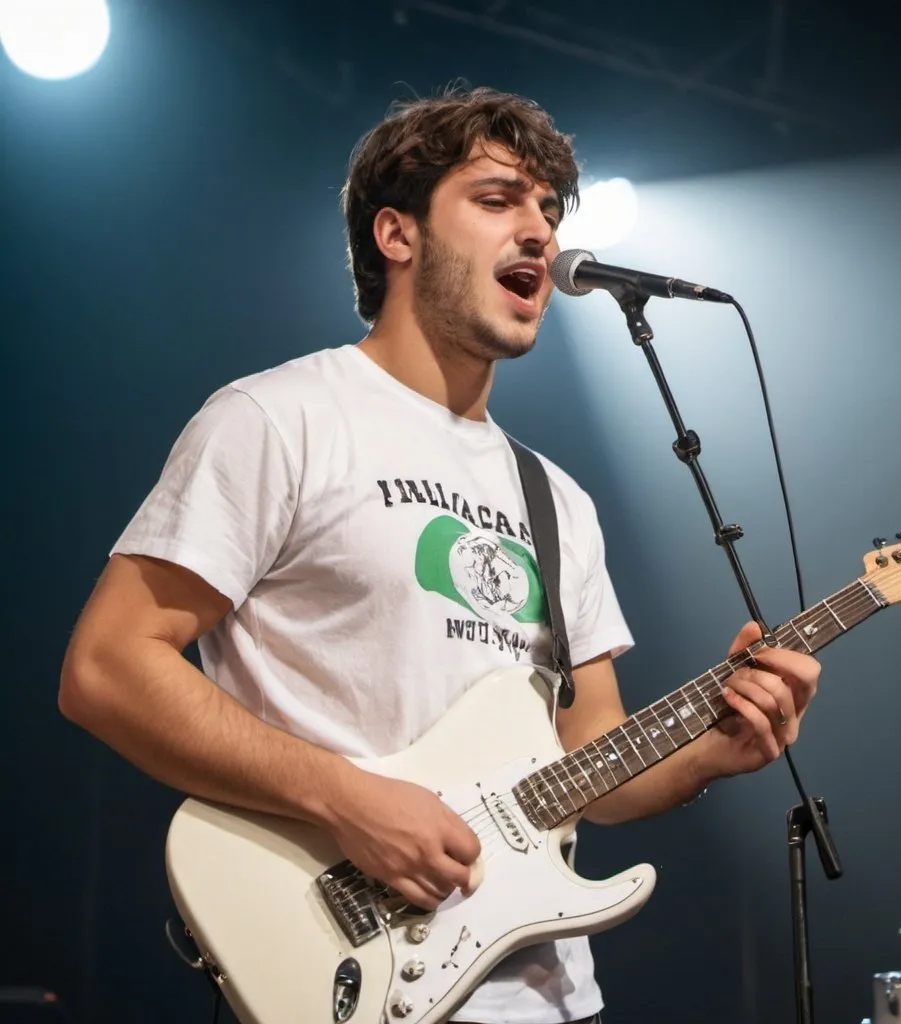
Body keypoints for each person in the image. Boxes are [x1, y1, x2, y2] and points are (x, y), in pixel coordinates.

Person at [58, 86, 820, 1024]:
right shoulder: (278, 419)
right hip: (348, 976)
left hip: (548, 1001)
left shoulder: (558, 500)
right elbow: (105, 667)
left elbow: (591, 765)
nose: (540, 231)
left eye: (549, 208)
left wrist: (716, 748)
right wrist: (348, 799)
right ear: (397, 234)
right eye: (499, 200)